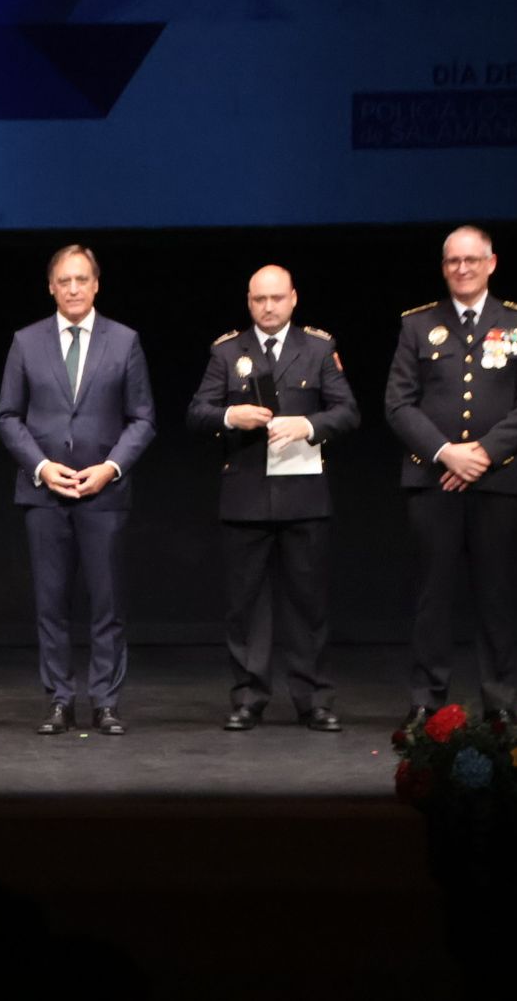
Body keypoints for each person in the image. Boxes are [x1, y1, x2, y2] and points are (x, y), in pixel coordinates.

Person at [386, 225, 517, 727]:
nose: (462, 268)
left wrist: (480, 453)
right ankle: (426, 701)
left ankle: (498, 702)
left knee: (494, 595)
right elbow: (397, 402)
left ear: (491, 263)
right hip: (432, 480)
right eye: (453, 261)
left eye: (471, 260)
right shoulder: (418, 325)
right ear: (444, 267)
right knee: (432, 595)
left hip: (496, 481)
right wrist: (444, 453)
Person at [186, 265, 359, 732]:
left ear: (293, 299)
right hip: (245, 495)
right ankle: (248, 697)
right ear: (248, 301)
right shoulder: (227, 351)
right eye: (260, 299)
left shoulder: (319, 348)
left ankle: (314, 699)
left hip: (304, 493)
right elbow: (196, 413)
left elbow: (347, 413)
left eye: (277, 298)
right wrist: (229, 415)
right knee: (246, 606)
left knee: (309, 604)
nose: (268, 307)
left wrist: (308, 425)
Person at [0, 245, 156, 735]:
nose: (72, 288)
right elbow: (6, 417)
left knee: (106, 604)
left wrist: (111, 467)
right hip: (45, 493)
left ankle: (105, 700)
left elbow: (143, 419)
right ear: (50, 286)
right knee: (51, 603)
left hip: (103, 492)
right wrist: (42, 467)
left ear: (96, 284)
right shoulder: (26, 341)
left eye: (81, 279)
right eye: (64, 281)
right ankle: (60, 700)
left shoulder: (124, 341)